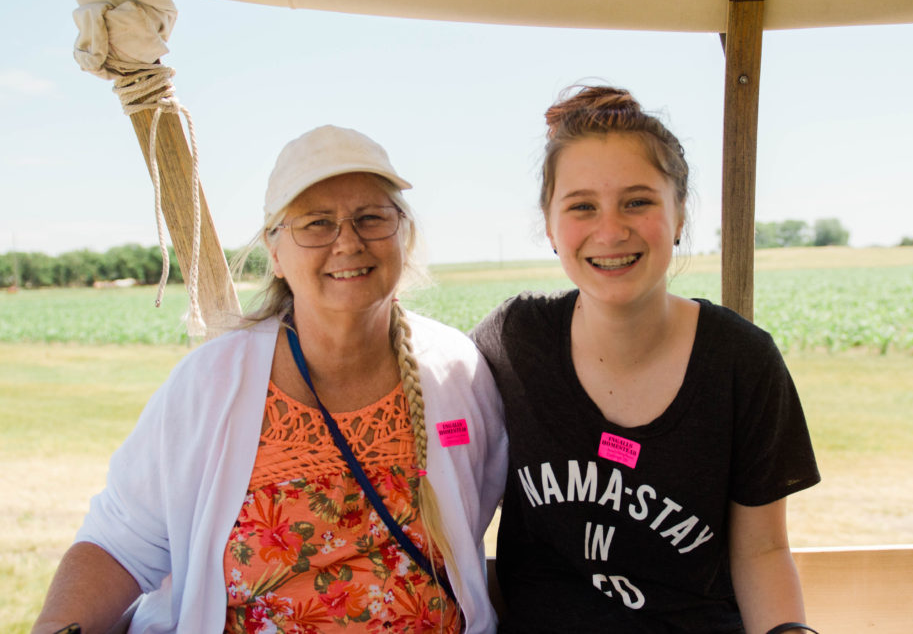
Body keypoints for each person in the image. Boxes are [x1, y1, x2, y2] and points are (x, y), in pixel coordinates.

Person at [32, 125, 507, 634]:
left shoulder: (457, 369)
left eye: (371, 218)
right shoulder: (210, 385)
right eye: (317, 224)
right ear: (275, 254)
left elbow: (485, 503)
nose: (348, 242)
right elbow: (119, 544)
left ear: (403, 236)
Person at [471, 86, 820, 634]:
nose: (610, 231)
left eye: (638, 201)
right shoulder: (515, 342)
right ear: (550, 225)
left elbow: (763, 551)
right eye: (582, 206)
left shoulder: (741, 362)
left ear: (680, 213)